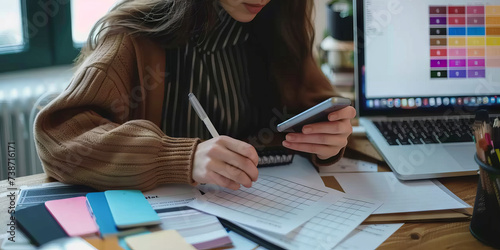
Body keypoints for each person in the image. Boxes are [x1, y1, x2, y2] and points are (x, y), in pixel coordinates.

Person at [34, 0, 356, 191]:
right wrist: (181, 159)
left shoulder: (279, 25)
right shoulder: (134, 37)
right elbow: (59, 140)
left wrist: (328, 141)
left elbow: (317, 106)